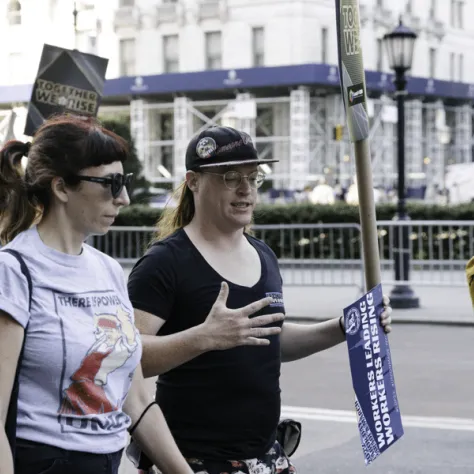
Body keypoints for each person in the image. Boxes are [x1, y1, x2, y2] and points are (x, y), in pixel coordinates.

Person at [127, 126, 393, 474]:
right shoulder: (165, 262)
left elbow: (269, 338)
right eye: (230, 176)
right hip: (193, 461)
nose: (245, 189)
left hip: (267, 459)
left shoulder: (263, 255)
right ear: (193, 181)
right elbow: (127, 359)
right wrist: (203, 338)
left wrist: (345, 328)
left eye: (253, 178)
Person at [0, 115, 193, 474]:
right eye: (111, 183)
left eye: (126, 182)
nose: (124, 198)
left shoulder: (108, 270)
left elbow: (134, 399)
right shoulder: (13, 270)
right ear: (61, 188)